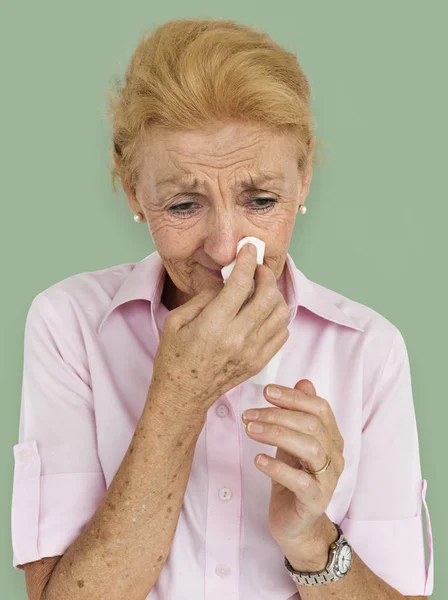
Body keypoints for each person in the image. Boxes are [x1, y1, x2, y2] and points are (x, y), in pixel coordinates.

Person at [11, 17, 433, 600]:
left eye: (261, 200)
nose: (226, 248)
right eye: (185, 204)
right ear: (134, 188)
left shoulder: (369, 350)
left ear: (304, 176)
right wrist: (178, 397)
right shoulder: (69, 327)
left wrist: (312, 540)